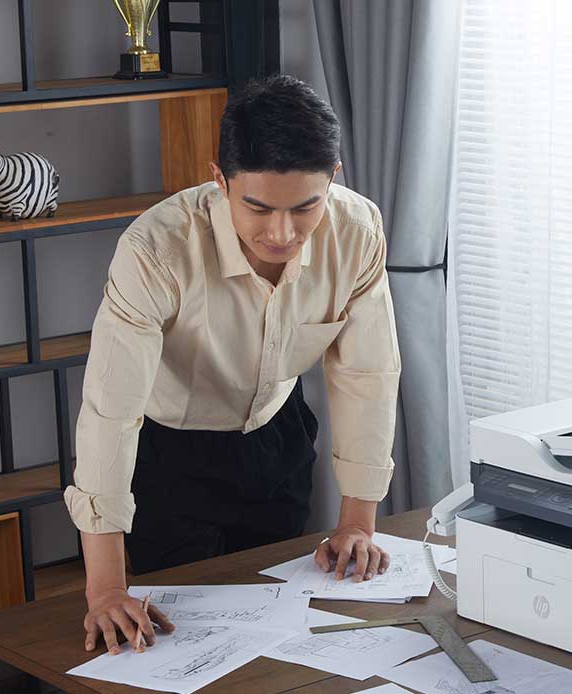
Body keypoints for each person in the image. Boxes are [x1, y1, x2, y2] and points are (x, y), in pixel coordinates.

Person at [64, 75, 401, 655]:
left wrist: (357, 525)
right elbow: (110, 413)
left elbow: (366, 375)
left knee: (270, 638)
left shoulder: (356, 231)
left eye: (305, 207)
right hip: (166, 452)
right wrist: (105, 589)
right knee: (166, 648)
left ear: (333, 179)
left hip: (276, 439)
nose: (282, 233)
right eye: (258, 207)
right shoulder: (156, 249)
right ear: (219, 179)